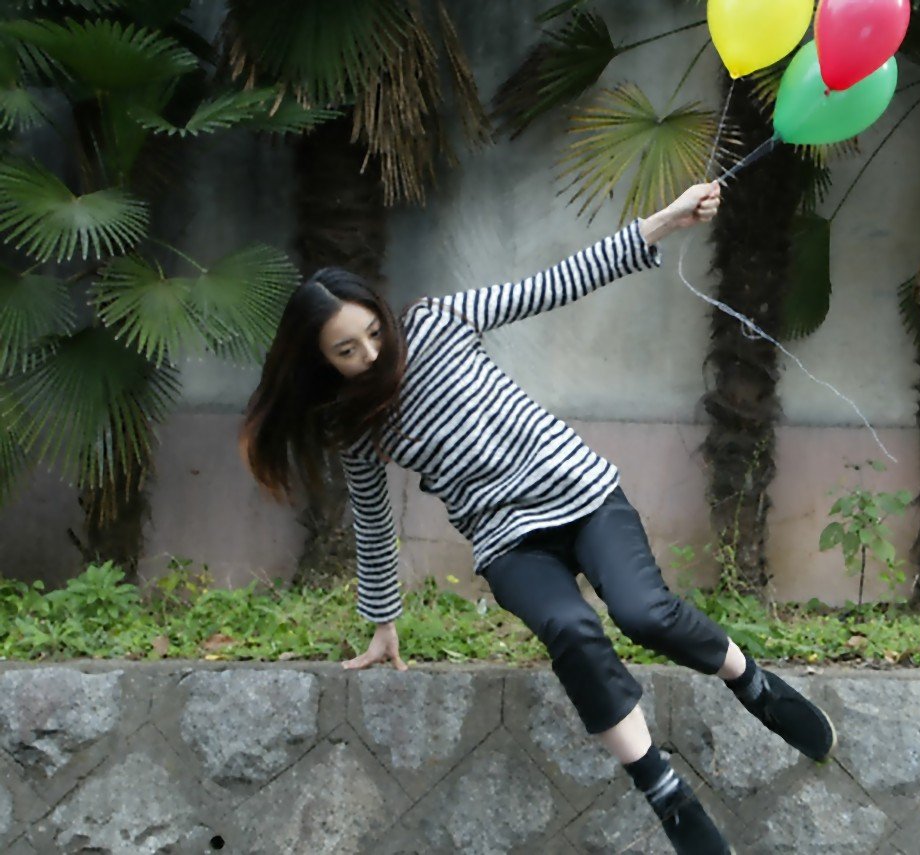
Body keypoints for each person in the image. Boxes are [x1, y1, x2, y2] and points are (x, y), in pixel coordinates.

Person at [239, 182, 835, 854]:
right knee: (570, 629)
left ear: (382, 312)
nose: (371, 355)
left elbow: (555, 285)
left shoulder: (437, 322)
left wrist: (665, 221)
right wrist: (383, 621)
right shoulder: (355, 422)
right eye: (347, 350)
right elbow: (373, 521)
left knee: (644, 613)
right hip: (508, 544)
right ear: (322, 360)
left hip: (584, 497)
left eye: (372, 333)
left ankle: (754, 685)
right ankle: (666, 794)